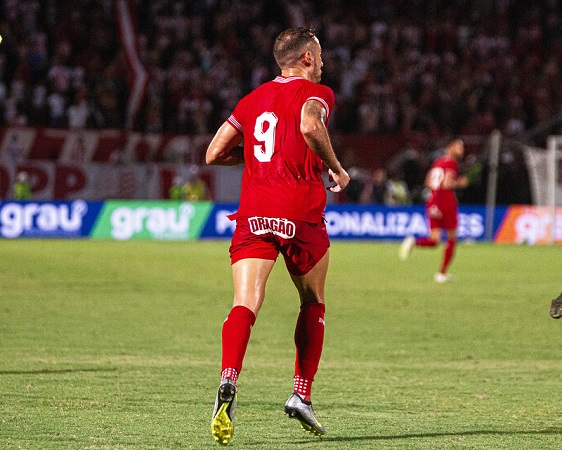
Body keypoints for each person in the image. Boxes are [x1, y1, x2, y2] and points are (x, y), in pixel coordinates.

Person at [205, 27, 349, 445]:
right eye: (318, 56)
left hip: (253, 212)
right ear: (305, 58)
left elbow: (214, 153)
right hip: (299, 211)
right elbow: (309, 126)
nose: (322, 63)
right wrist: (336, 169)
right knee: (313, 300)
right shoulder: (318, 94)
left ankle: (228, 379)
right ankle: (300, 394)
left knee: (245, 303)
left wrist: (254, 158)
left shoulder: (251, 100)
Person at [399, 139, 468, 283]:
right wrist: (460, 182)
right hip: (446, 200)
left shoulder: (437, 162)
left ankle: (413, 242)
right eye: (459, 146)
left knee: (435, 240)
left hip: (432, 201)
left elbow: (428, 182)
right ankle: (441, 273)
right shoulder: (451, 163)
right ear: (450, 147)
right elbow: (448, 183)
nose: (462, 149)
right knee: (452, 238)